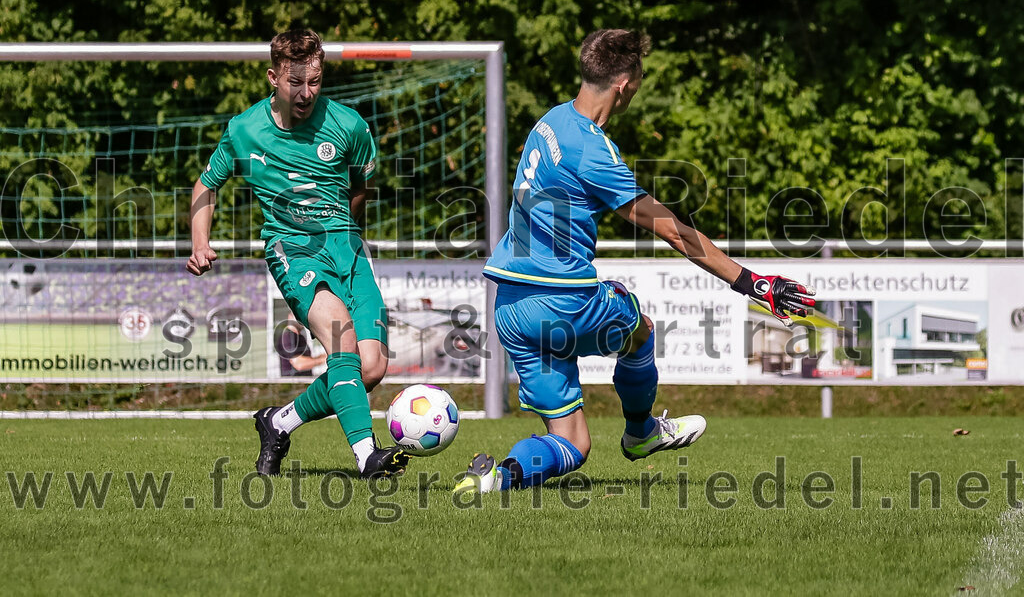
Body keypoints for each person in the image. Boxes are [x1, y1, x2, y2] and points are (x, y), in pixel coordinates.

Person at [456, 29, 816, 493]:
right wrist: (753, 283)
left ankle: (496, 478)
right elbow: (673, 231)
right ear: (625, 84)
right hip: (563, 301)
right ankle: (642, 433)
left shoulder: (549, 121)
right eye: (641, 75)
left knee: (573, 444)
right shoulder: (591, 148)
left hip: (510, 307)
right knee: (639, 325)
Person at [187, 28, 408, 478]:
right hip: (293, 250)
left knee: (370, 368)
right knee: (341, 341)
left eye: (315, 81)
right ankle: (367, 456)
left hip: (347, 249)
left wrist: (341, 233)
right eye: (295, 83)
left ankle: (278, 422)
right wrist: (199, 242)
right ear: (273, 77)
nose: (306, 93)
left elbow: (359, 188)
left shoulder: (349, 126)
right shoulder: (245, 130)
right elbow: (206, 186)